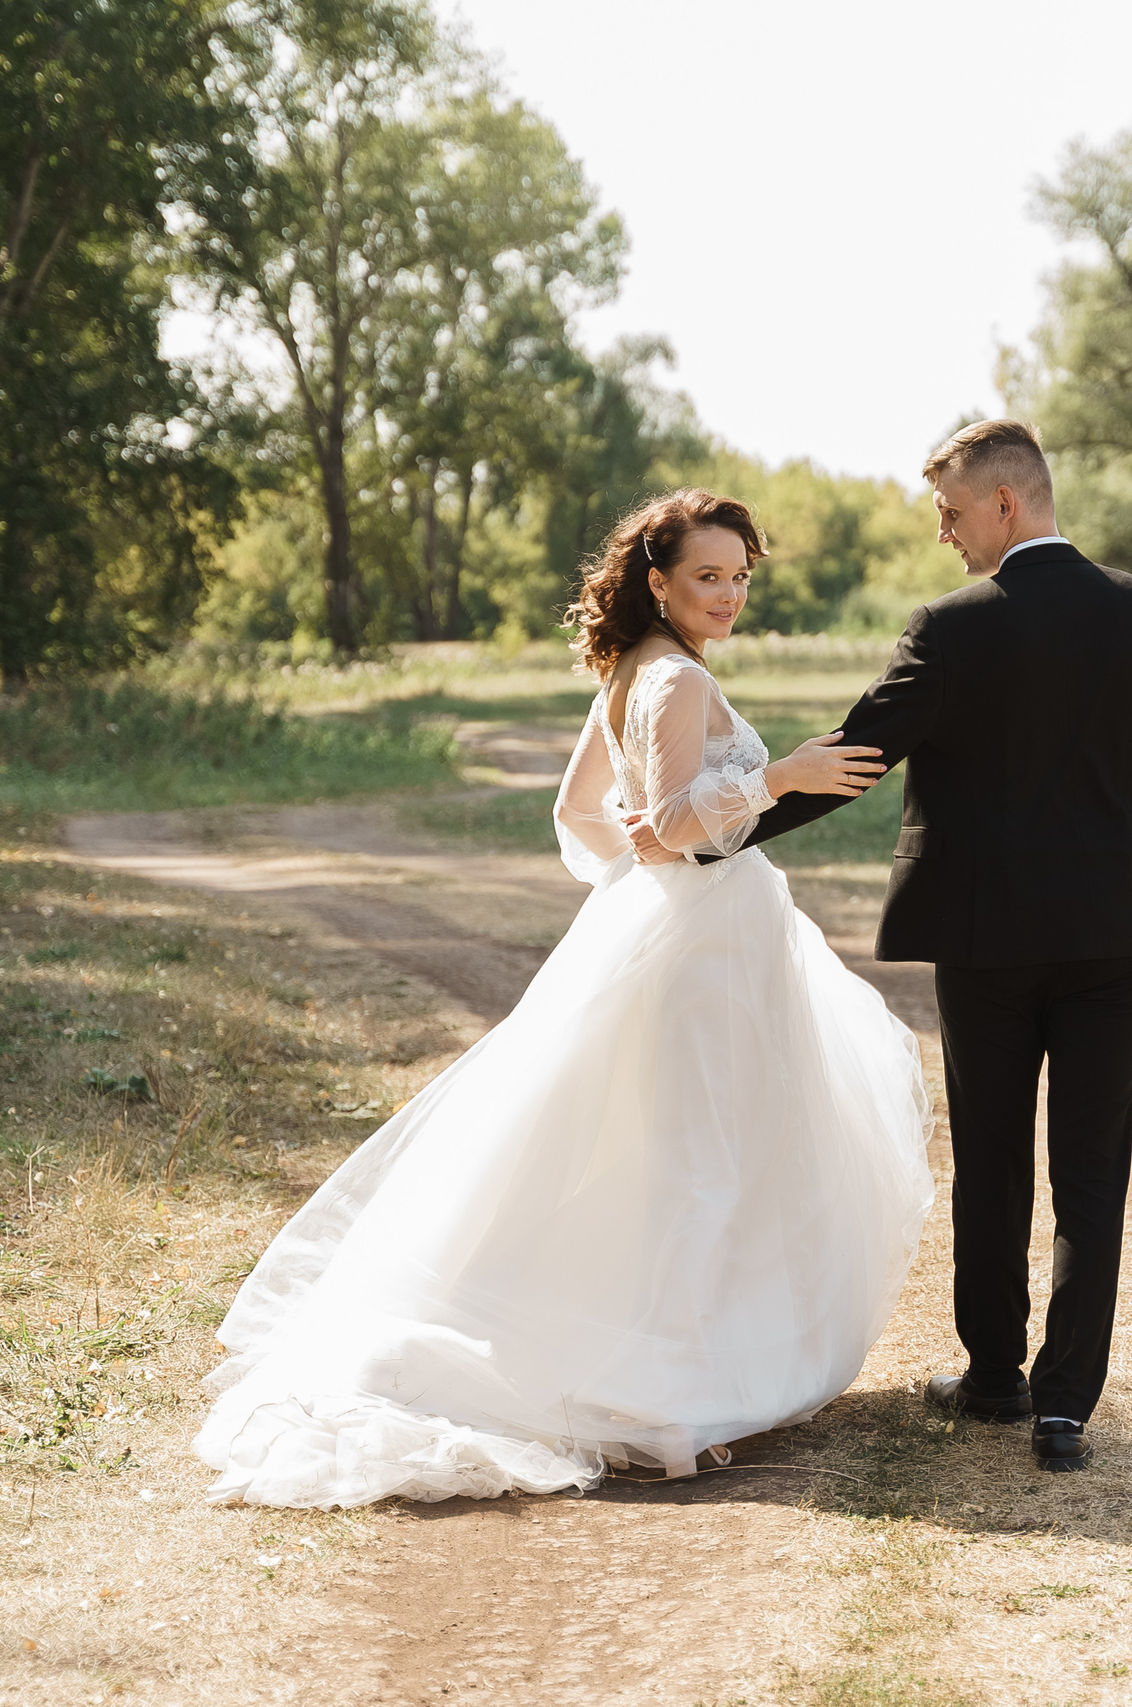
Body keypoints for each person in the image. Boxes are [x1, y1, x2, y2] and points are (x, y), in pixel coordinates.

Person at [193, 488, 933, 1505]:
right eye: (707, 577)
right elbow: (672, 820)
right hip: (704, 948)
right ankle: (675, 1390)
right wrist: (778, 779)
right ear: (657, 581)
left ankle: (681, 1368)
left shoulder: (631, 673)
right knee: (702, 1158)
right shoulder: (669, 679)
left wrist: (639, 875)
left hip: (680, 931)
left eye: (739, 577)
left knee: (683, 1151)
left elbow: (581, 812)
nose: (727, 595)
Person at [637, 420, 1132, 1473]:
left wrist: (714, 843)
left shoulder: (952, 628)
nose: (945, 533)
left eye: (951, 511)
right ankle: (1064, 1409)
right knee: (1094, 1167)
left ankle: (995, 1375)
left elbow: (854, 758)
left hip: (986, 941)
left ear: (1006, 503)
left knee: (992, 1155)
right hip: (1116, 939)